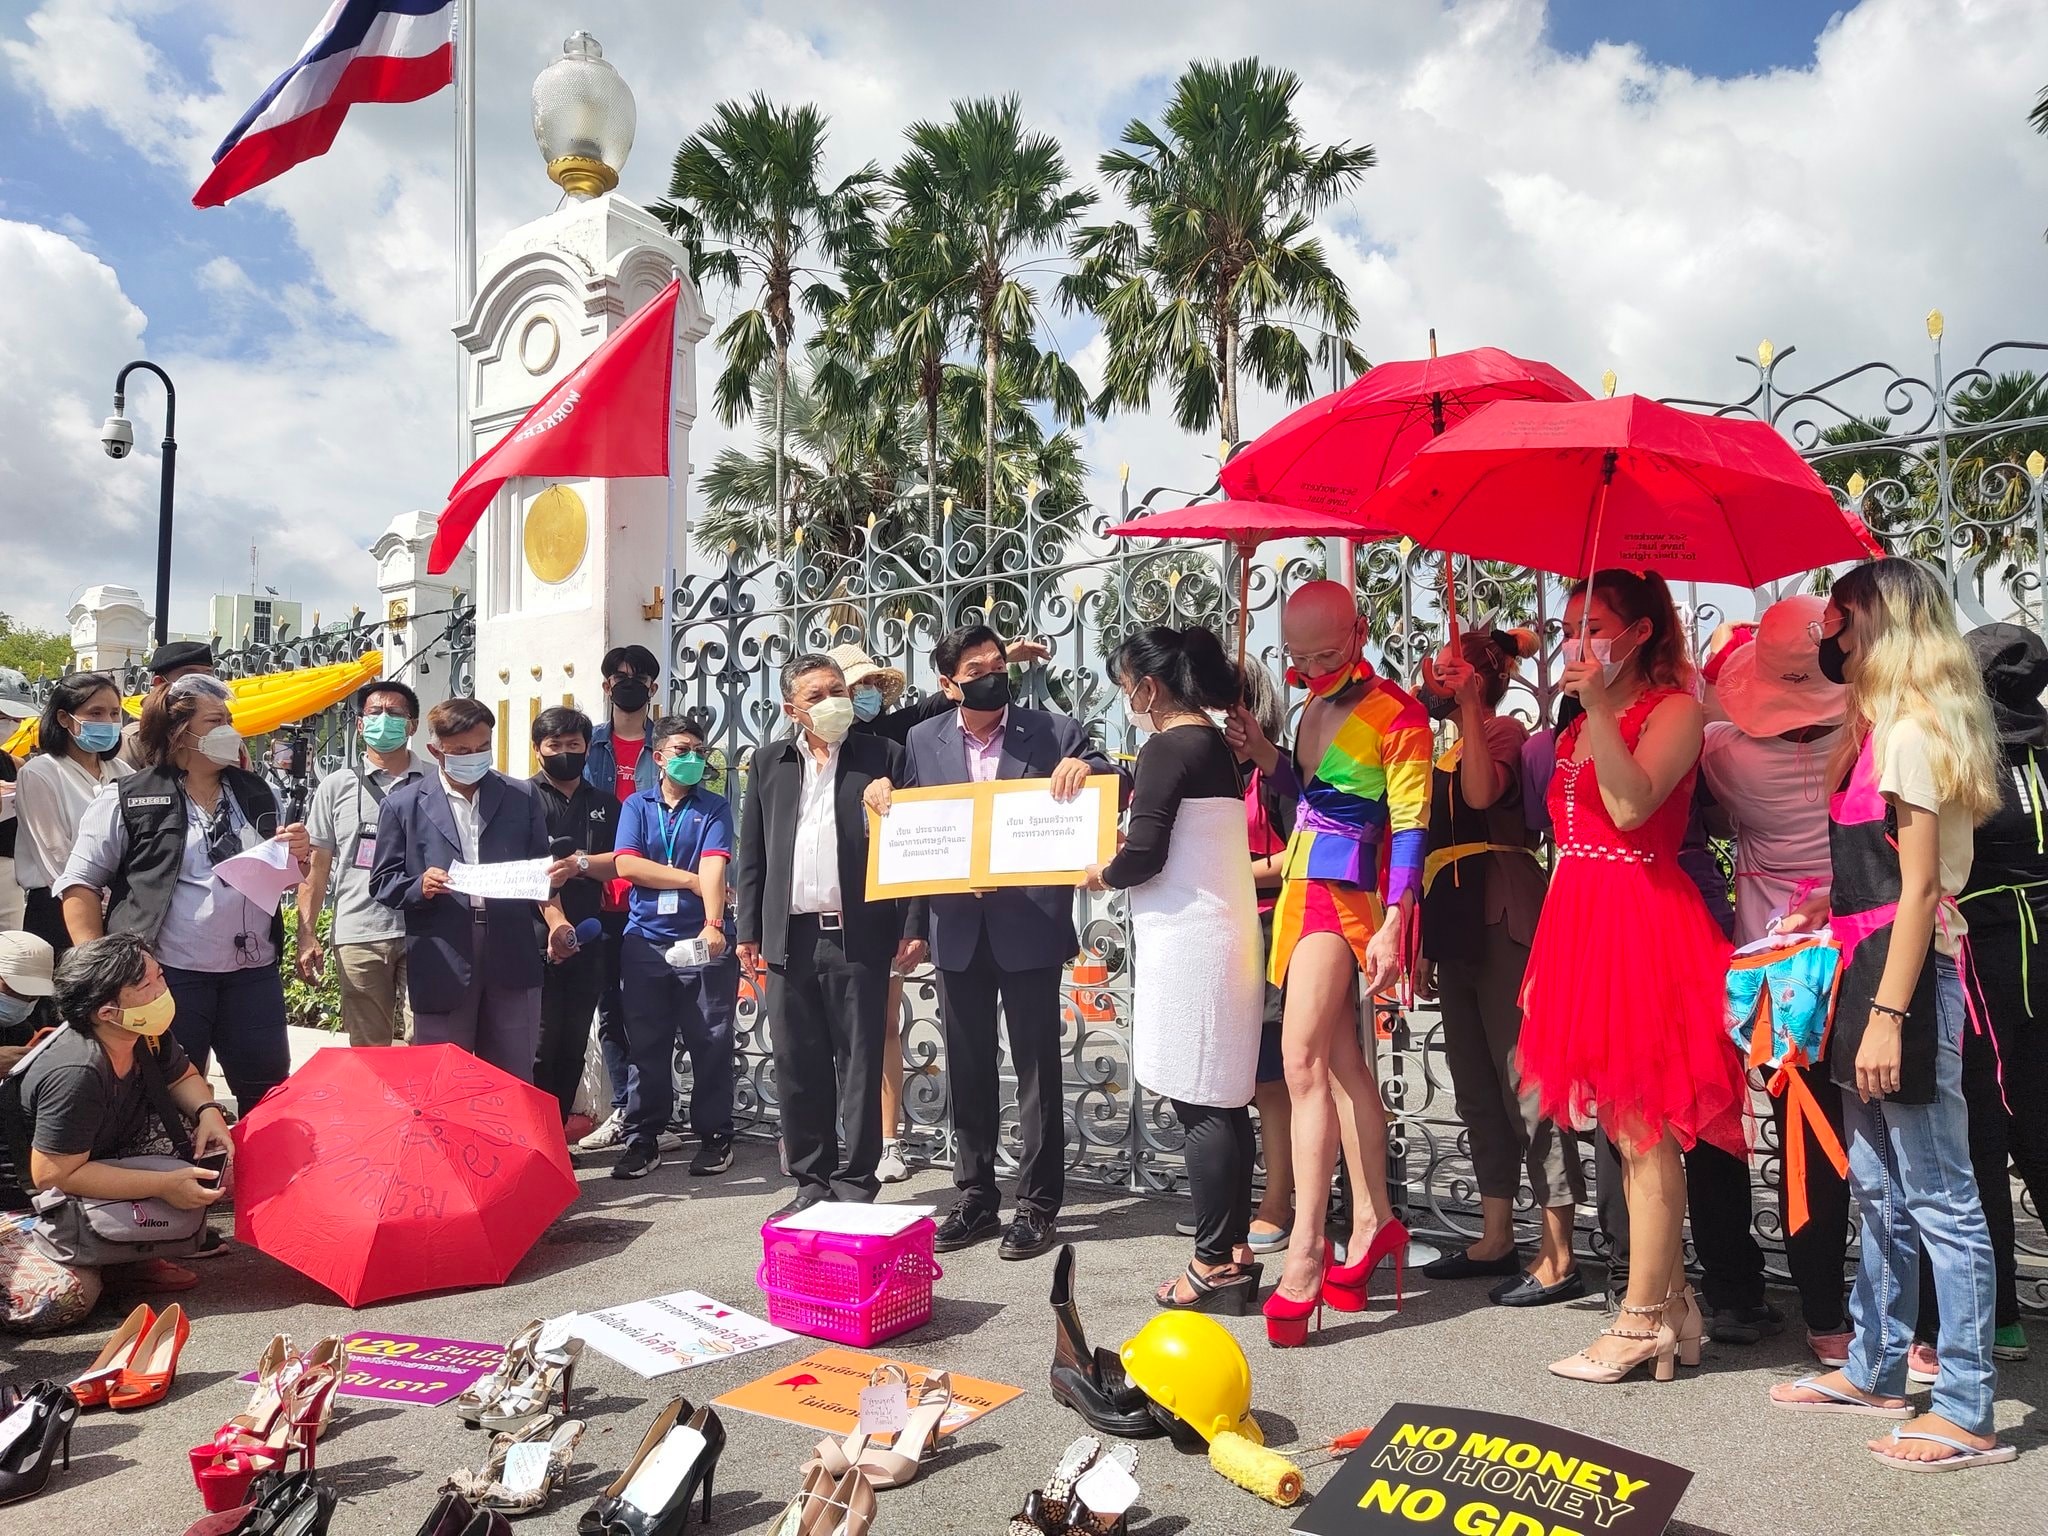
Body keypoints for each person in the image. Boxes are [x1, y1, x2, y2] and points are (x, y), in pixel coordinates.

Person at [1767, 558, 2010, 1471]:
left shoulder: (1907, 734)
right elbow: (1878, 884)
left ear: (1879, 626)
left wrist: (1885, 1013)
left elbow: (1917, 896)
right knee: (1876, 1184)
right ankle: (1873, 1365)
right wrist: (1820, 915)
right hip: (1865, 967)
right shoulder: (1877, 732)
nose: (1828, 633)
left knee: (1940, 1195)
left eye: (1842, 617)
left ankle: (1968, 1405)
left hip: (1900, 979)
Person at [1517, 567, 1743, 1383]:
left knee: (1646, 1128)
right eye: (1569, 627)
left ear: (1641, 631)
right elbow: (1566, 843)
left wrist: (1602, 712)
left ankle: (1643, 1317)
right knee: (1620, 1125)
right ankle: (1675, 1303)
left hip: (1644, 919)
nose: (1576, 642)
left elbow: (1632, 808)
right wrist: (1549, 961)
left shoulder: (1676, 708)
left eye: (1594, 625)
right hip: (1581, 919)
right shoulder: (1582, 721)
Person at [866, 624, 1117, 1261]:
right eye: (974, 669)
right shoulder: (923, 739)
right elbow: (907, 817)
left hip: (1028, 924)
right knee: (968, 1065)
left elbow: (1113, 778)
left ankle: (1037, 1203)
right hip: (956, 928)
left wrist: (1084, 766)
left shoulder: (1052, 730)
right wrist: (882, 796)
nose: (991, 674)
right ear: (949, 685)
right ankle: (976, 1196)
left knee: (1036, 1069)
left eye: (996, 663)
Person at [1225, 581, 1428, 1348]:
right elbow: (1311, 795)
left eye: (1324, 652)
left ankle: (1307, 1249)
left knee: (1301, 1057)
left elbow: (1410, 823)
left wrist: (1398, 920)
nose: (1308, 668)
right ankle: (1373, 1222)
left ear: (1361, 632)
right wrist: (1265, 754)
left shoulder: (1396, 712)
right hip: (1305, 883)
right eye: (1298, 655)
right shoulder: (1312, 707)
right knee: (1342, 1067)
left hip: (1347, 895)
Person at [1694, 598, 1854, 1363]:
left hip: (1776, 970)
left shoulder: (1727, 754)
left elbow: (1703, 705)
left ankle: (1824, 1320)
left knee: (1804, 1144)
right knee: (1885, 1144)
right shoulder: (1867, 739)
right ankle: (1924, 1326)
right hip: (1860, 946)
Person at [1085, 626, 1263, 1309]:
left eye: (1125, 684)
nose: (1126, 697)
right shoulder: (1213, 744)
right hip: (1216, 936)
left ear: (1148, 686)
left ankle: (1214, 1261)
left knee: (1204, 1103)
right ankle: (1236, 1248)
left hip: (1193, 945)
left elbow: (1146, 852)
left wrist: (1100, 872)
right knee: (1222, 1099)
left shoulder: (1168, 745)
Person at [1414, 627, 1584, 1306]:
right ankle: (1495, 1237)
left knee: (1527, 1078)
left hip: (1503, 911)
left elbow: (1484, 798)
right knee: (1475, 1083)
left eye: (1449, 672)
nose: (1434, 680)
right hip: (1452, 920)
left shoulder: (1504, 732)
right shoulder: (1443, 746)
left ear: (1477, 678)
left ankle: (1559, 1251)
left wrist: (1474, 715)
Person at [57, 675, 307, 1114]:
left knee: (268, 1094)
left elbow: (283, 876)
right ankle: (183, 1178)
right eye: (216, 720)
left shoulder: (255, 793)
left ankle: (267, 1179)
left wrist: (297, 857)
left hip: (252, 974)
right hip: (170, 976)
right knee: (170, 1093)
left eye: (230, 719)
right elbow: (79, 883)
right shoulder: (128, 798)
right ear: (179, 731)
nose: (230, 729)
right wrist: (102, 971)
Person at [1905, 623, 2048, 1370]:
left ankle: (1995, 1320)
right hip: (2039, 953)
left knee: (1982, 1136)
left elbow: (1934, 869)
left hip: (1987, 959)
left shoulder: (1968, 758)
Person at [735, 653, 923, 1216]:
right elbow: (754, 853)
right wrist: (748, 928)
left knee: (861, 1059)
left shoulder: (884, 756)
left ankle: (855, 1182)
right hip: (789, 937)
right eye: (816, 695)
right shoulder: (768, 763)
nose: (833, 701)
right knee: (799, 1061)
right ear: (794, 709)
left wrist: (912, 924)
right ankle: (810, 1181)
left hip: (858, 935)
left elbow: (911, 848)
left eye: (837, 689)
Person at [7, 933, 234, 1330]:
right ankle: (112, 1257)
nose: (162, 990)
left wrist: (209, 1112)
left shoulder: (144, 1032)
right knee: (63, 1298)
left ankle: (121, 1252)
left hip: (91, 1169)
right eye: (147, 985)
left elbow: (182, 1075)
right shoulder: (76, 1070)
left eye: (160, 976)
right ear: (107, 1012)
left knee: (227, 1159)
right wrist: (162, 1187)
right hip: (26, 1203)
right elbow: (52, 1175)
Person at [369, 697, 574, 1080]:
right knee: (444, 1077)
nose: (474, 757)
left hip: (511, 945)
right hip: (442, 951)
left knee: (512, 1073)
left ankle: (508, 1141)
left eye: (482, 748)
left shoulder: (520, 796)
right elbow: (383, 883)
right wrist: (420, 886)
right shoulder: (404, 805)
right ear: (436, 750)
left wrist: (551, 878)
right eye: (461, 751)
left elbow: (538, 866)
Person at [610, 714, 738, 1180]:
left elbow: (716, 864)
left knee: (710, 1039)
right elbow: (627, 865)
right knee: (646, 1043)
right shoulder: (636, 806)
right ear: (659, 758)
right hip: (644, 941)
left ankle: (715, 1134)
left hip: (703, 939)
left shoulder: (714, 807)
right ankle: (644, 1136)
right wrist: (690, 881)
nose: (692, 759)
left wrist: (713, 921)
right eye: (682, 751)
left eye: (699, 752)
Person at [296, 680, 426, 1047]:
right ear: (359, 724)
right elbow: (316, 868)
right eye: (375, 712)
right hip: (359, 933)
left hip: (425, 930)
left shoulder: (435, 780)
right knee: (369, 1049)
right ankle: (377, 1108)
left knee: (427, 1040)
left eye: (395, 714)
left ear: (412, 725)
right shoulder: (336, 786)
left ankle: (423, 1108)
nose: (384, 720)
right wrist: (307, 934)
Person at [579, 644, 662, 1153]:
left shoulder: (673, 745)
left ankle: (656, 1112)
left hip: (655, 896)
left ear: (654, 687)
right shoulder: (586, 746)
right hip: (600, 898)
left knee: (657, 1009)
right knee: (611, 1007)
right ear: (606, 685)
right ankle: (624, 1110)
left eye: (639, 677)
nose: (628, 683)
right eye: (618, 676)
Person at [530, 706, 619, 1120]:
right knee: (540, 1043)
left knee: (574, 1042)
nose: (565, 752)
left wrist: (584, 863)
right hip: (535, 939)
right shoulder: (521, 799)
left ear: (587, 748)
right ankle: (532, 1131)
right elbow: (525, 871)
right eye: (555, 745)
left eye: (574, 744)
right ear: (538, 750)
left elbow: (618, 861)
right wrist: (555, 923)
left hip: (590, 935)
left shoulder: (604, 803)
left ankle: (558, 1131)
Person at [1237, 663, 1297, 1258]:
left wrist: (1228, 871)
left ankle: (1279, 1198)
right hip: (1223, 928)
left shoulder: (1273, 770)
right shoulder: (1207, 770)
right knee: (1236, 1074)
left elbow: (1296, 853)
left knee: (1272, 1075)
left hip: (1271, 922)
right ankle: (1232, 1194)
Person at [14, 672, 131, 956]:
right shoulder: (41, 773)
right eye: (96, 713)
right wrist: (91, 903)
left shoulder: (122, 773)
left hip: (117, 908)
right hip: (60, 908)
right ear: (65, 718)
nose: (108, 722)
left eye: (114, 713)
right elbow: (56, 857)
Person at [116, 641, 218, 769]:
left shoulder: (220, 733)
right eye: (190, 676)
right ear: (159, 682)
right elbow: (126, 786)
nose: (202, 683)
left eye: (208, 675)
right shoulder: (136, 739)